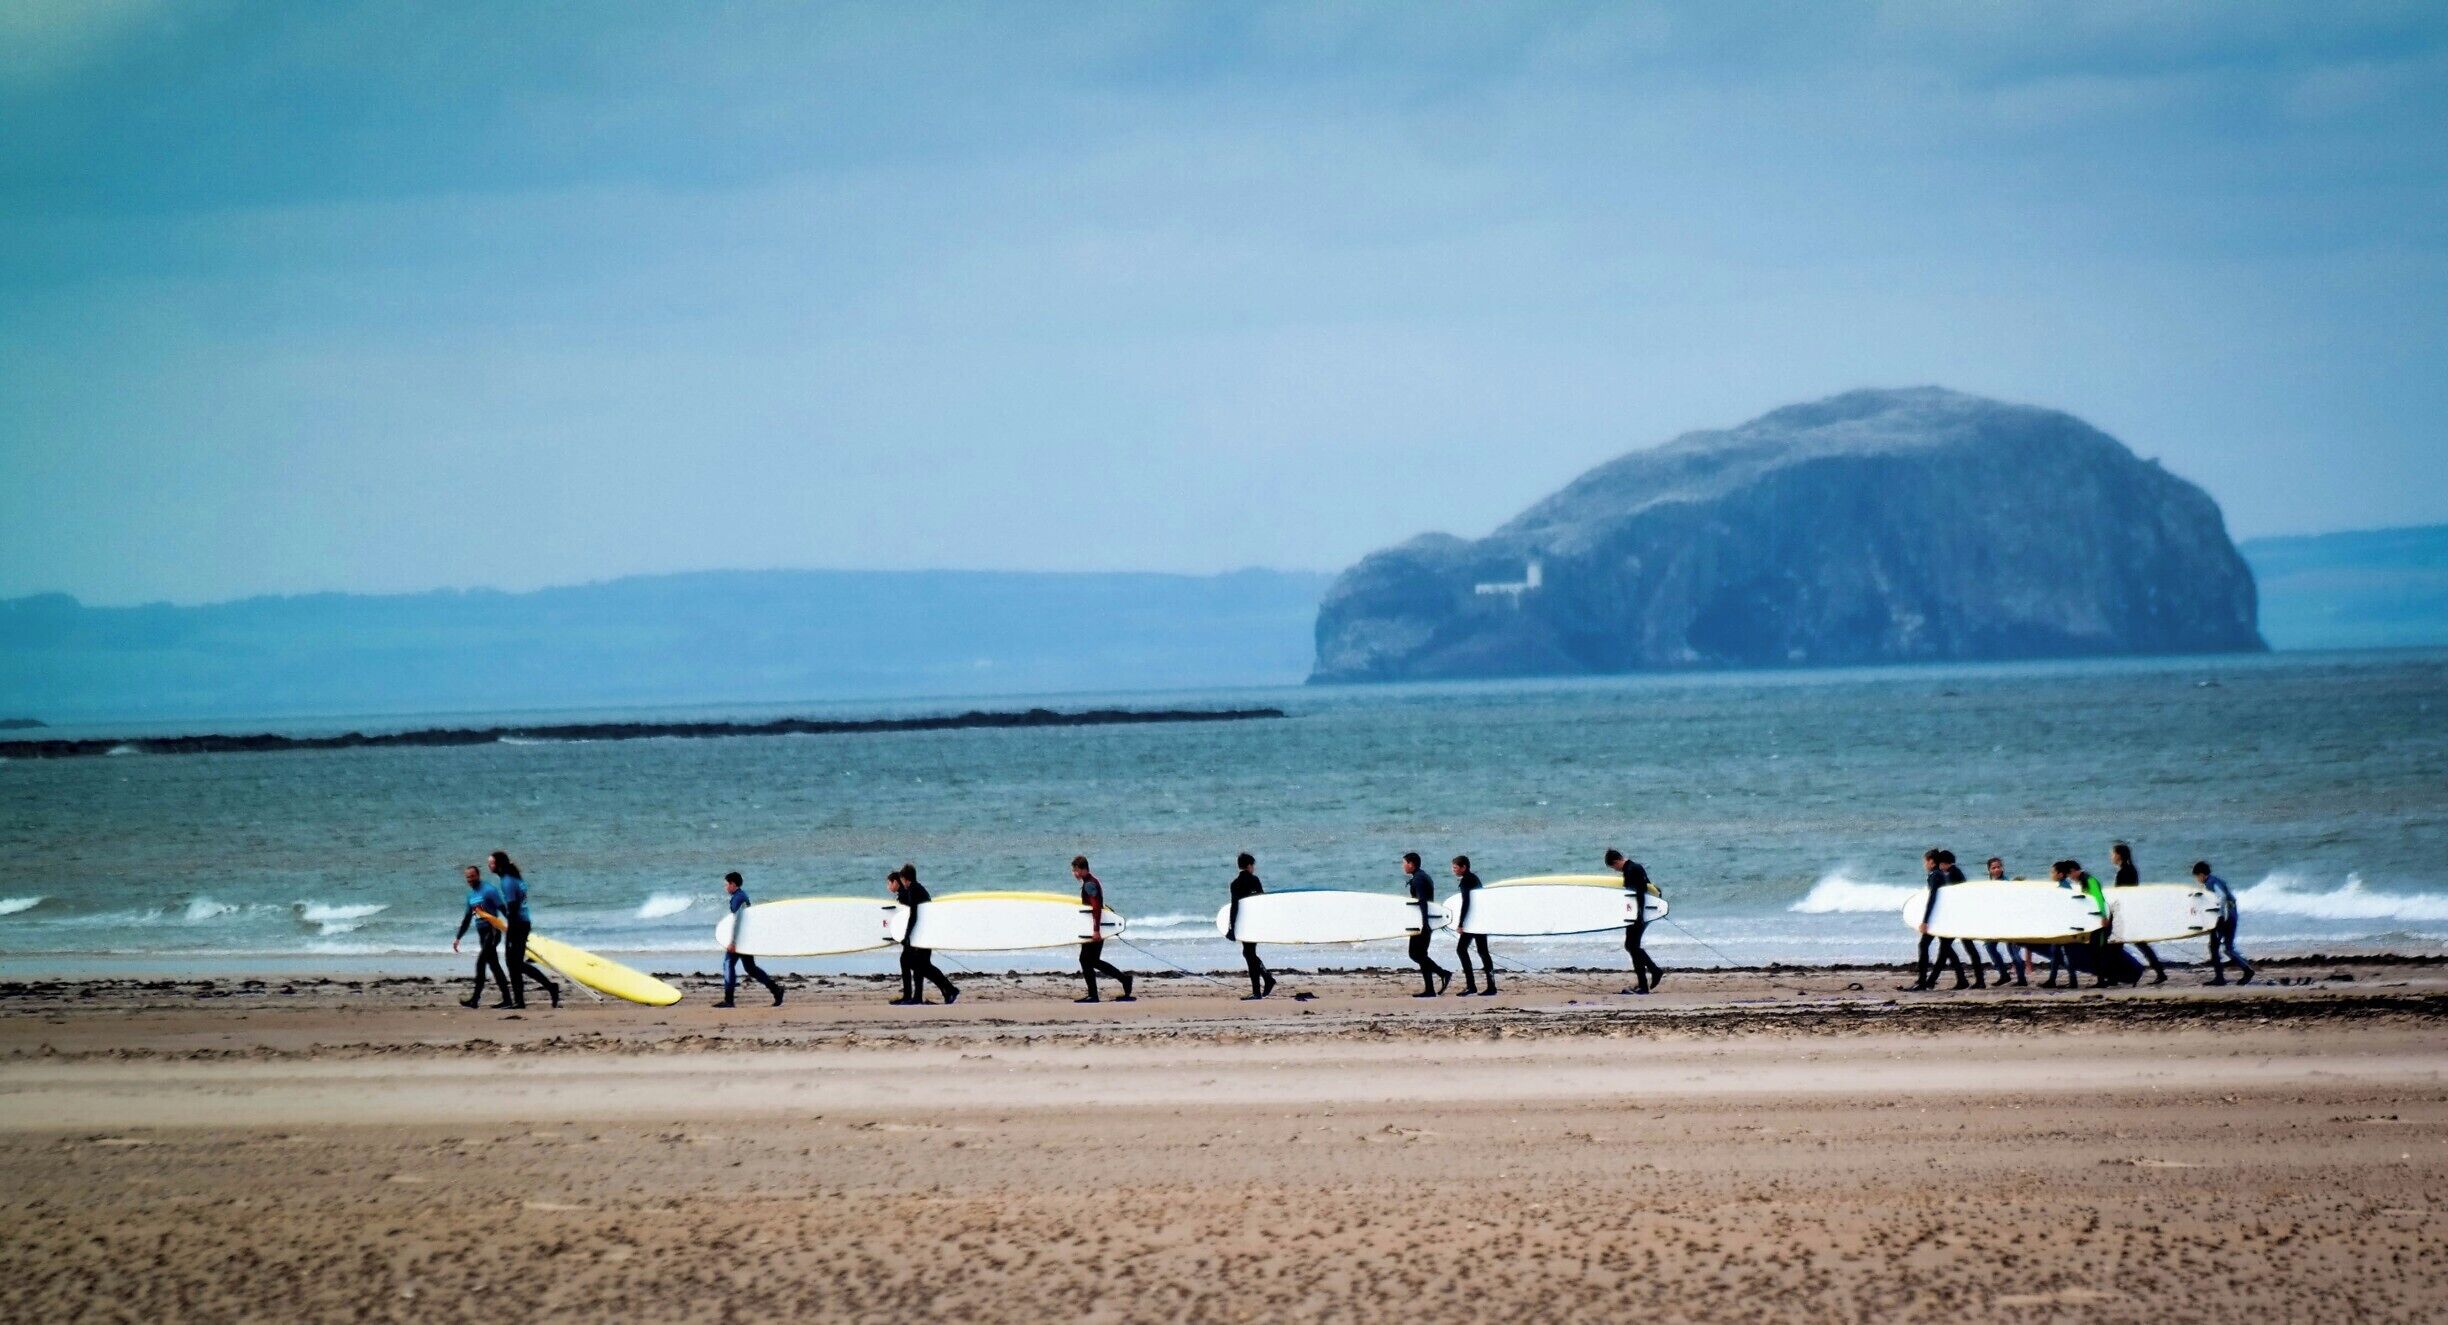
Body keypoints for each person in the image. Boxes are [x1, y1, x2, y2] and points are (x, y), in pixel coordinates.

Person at [487, 851, 559, 1009]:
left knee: (515, 963)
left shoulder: (507, 881)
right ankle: (519, 1001)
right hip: (522, 923)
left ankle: (550, 987)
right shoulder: (514, 878)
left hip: (518, 924)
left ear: (499, 865)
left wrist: (510, 932)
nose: (489, 865)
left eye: (491, 863)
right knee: (513, 963)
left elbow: (512, 909)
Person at [889, 865, 958, 1006]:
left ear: (904, 879)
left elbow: (913, 915)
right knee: (919, 965)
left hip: (922, 935)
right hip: (924, 933)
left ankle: (917, 997)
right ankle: (946, 991)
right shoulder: (917, 889)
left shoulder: (914, 890)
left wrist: (907, 935)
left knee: (919, 965)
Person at [1071, 855, 1135, 1003]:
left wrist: (1096, 930)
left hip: (1095, 928)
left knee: (1086, 960)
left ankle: (1094, 995)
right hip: (1095, 927)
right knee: (1092, 960)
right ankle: (1124, 980)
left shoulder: (1089, 884)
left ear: (1082, 869)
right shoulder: (1091, 881)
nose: (1074, 874)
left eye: (1075, 870)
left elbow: (1096, 908)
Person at [716, 871, 785, 1008]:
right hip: (745, 937)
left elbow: (738, 920)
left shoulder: (738, 898)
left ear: (733, 884)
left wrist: (733, 942)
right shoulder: (741, 895)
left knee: (728, 964)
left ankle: (729, 1000)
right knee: (751, 968)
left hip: (740, 940)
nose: (725, 888)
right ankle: (776, 990)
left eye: (726, 884)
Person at [1905, 848, 1969, 991]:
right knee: (1946, 950)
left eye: (1925, 861)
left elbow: (1933, 898)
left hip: (1938, 918)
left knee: (1925, 946)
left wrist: (1925, 920)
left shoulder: (1935, 875)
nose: (1924, 865)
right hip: (1944, 917)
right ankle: (1959, 979)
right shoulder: (1939, 875)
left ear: (1931, 862)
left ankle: (1922, 982)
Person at [1604, 848, 1665, 994]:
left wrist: (1639, 915)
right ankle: (1646, 980)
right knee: (1631, 946)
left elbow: (1641, 892)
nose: (1615, 870)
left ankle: (1652, 975)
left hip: (1638, 914)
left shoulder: (1632, 869)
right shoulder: (1631, 868)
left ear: (1616, 861)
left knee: (1632, 946)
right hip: (1637, 913)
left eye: (1613, 867)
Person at [451, 864, 512, 1009]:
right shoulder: (471, 896)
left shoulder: (489, 890)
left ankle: (475, 1000)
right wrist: (458, 937)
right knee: (494, 965)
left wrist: (514, 926)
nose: (470, 879)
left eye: (472, 876)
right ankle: (508, 999)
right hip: (482, 933)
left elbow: (503, 909)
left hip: (492, 931)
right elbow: (467, 918)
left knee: (481, 963)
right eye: (468, 877)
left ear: (478, 876)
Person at [2110, 843, 2167, 984]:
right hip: (2130, 913)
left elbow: (2121, 895)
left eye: (2113, 853)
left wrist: (2113, 914)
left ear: (2119, 855)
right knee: (2134, 945)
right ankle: (2159, 971)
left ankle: (2114, 978)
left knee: (2117, 946)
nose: (2111, 856)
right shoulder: (2131, 870)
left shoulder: (2124, 871)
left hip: (2125, 915)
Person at [2195, 860, 2257, 985]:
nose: (2197, 879)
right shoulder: (2215, 880)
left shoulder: (2211, 883)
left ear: (2202, 874)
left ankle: (2220, 979)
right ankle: (2247, 970)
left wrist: (2220, 917)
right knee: (2228, 948)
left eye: (2197, 876)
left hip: (2225, 918)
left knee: (2214, 947)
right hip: (2232, 915)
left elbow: (2222, 896)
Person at [1400, 852, 1452, 998]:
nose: (1403, 866)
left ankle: (1443, 973)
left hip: (1422, 924)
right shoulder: (1422, 876)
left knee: (1415, 954)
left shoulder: (1419, 879)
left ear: (1411, 864)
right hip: (1424, 922)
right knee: (1421, 955)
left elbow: (1422, 901)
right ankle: (1430, 989)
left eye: (1404, 863)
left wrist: (1424, 923)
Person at [1225, 853, 1274, 1000]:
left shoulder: (1235, 884)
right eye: (1253, 866)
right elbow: (1261, 903)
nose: (1254, 868)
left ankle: (1260, 988)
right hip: (1255, 924)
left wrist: (1231, 928)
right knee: (1249, 954)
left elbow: (1235, 908)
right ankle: (1266, 981)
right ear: (1248, 866)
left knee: (1249, 954)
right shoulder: (1255, 880)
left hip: (1244, 925)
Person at [1939, 850, 1987, 989]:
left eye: (1940, 863)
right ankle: (1972, 980)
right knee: (1965, 948)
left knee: (1963, 948)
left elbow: (1957, 896)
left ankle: (1973, 980)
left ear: (1945, 863)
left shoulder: (1954, 874)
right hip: (1959, 917)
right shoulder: (1952, 873)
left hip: (1960, 918)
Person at [1450, 855, 1494, 996]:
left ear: (1464, 867)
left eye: (1455, 867)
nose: (1453, 870)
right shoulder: (1474, 878)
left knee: (1461, 950)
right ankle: (1491, 986)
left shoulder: (1465, 882)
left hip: (1473, 922)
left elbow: (1466, 903)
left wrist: (1461, 923)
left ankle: (1471, 986)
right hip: (1480, 920)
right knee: (1483, 952)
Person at [1982, 856, 2027, 986]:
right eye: (1993, 867)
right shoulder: (1989, 884)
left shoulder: (2006, 883)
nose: (1997, 870)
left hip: (2010, 921)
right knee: (1990, 946)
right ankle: (2004, 974)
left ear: (2002, 868)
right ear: (1989, 870)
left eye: (1999, 867)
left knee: (2012, 949)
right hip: (1996, 922)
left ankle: (2021, 979)